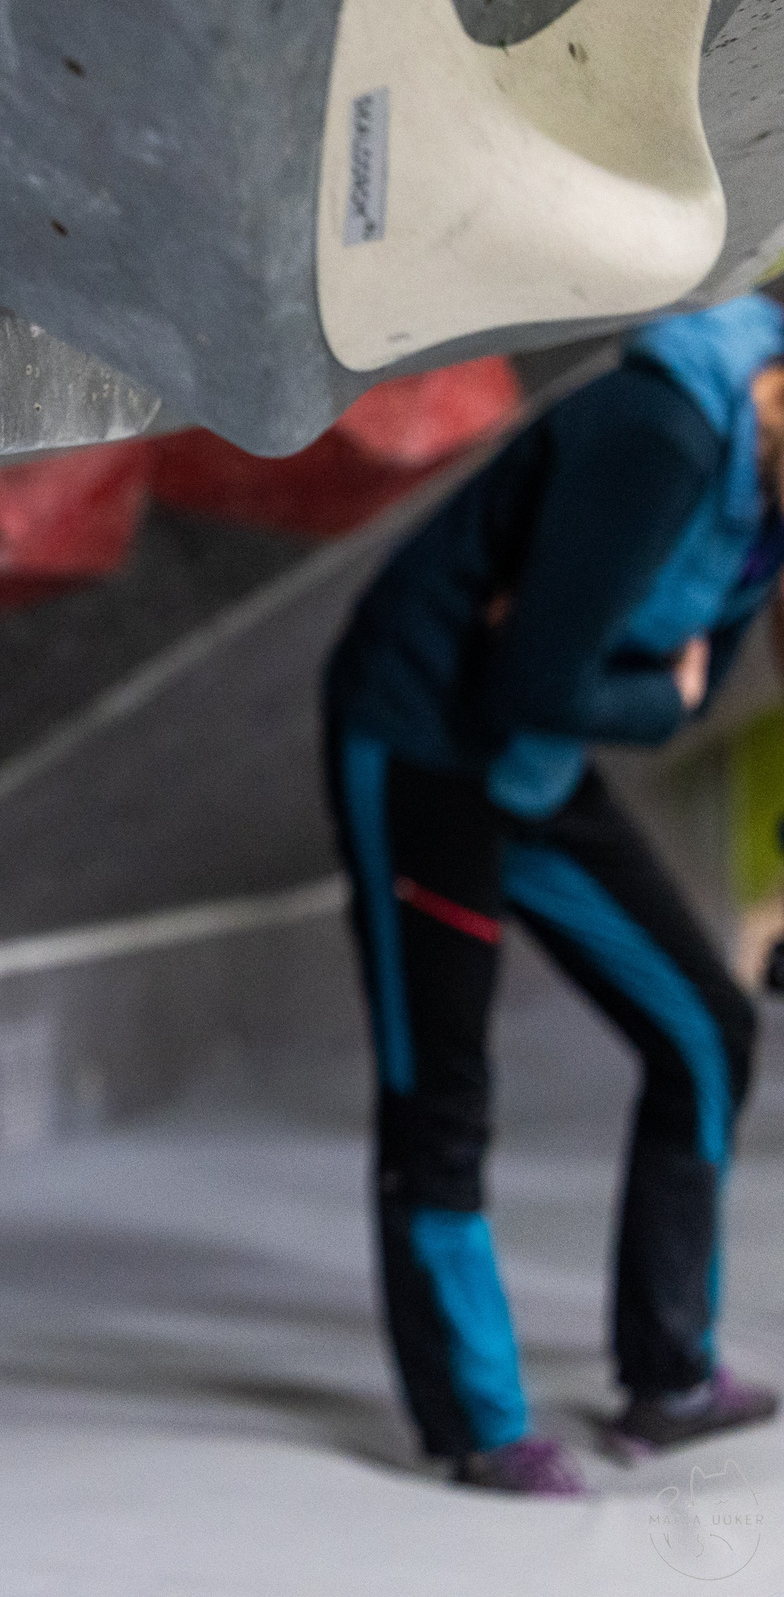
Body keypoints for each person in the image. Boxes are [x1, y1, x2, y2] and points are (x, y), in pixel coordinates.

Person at [325, 294, 784, 1496]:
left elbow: (701, 660)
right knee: (443, 1089)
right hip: (421, 739)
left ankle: (670, 1372)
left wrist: (628, 684)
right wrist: (662, 695)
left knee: (706, 1030)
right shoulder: (664, 432)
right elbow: (543, 677)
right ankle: (475, 1423)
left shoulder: (768, 490)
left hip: (530, 768)